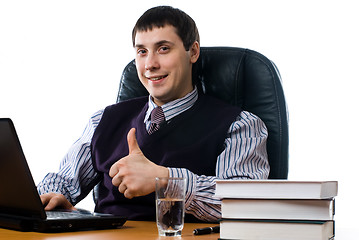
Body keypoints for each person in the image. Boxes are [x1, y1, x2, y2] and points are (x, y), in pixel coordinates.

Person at [37, 5, 269, 222]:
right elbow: (62, 181)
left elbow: (245, 202)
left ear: (193, 52)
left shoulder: (240, 125)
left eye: (163, 49)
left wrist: (166, 181)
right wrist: (52, 197)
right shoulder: (103, 120)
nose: (150, 64)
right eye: (142, 51)